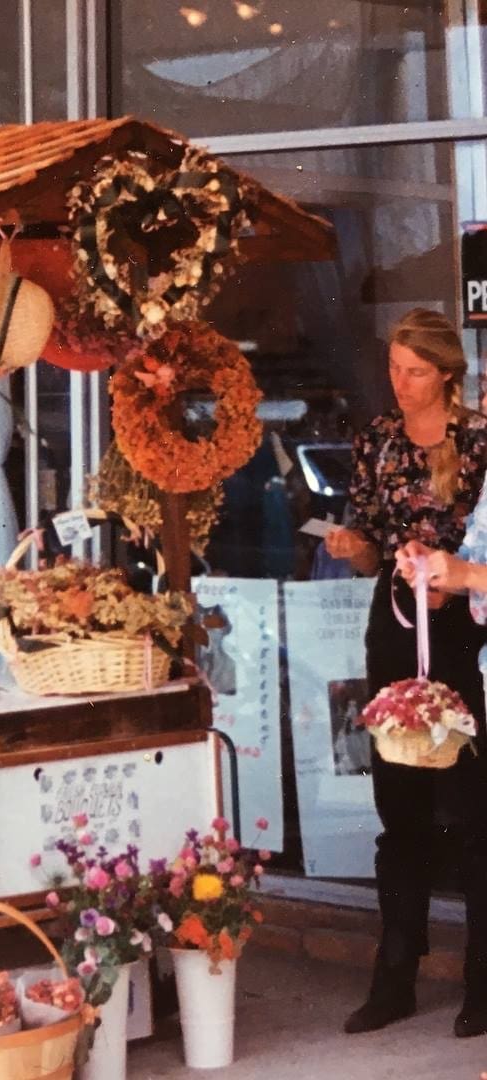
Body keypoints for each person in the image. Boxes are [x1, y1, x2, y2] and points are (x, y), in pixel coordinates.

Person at [324, 308, 487, 1037]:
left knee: (476, 808)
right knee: (400, 806)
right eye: (393, 368)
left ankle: (482, 982)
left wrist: (455, 579)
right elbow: (368, 541)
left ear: (448, 374)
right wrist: (352, 545)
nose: (401, 383)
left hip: (464, 628)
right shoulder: (379, 441)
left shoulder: (480, 440)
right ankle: (395, 974)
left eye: (416, 372)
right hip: (393, 624)